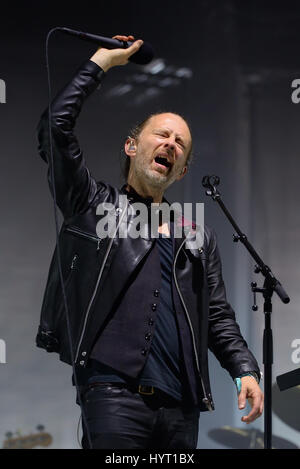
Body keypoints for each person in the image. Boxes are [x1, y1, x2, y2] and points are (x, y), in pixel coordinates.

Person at [36, 34, 264, 449]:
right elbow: (55, 128)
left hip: (182, 406)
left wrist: (245, 370)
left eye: (180, 144)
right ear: (131, 146)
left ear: (180, 172)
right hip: (113, 396)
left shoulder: (195, 234)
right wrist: (101, 64)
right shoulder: (95, 205)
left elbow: (217, 316)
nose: (171, 145)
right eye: (162, 135)